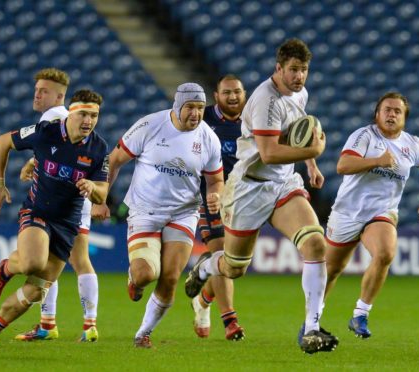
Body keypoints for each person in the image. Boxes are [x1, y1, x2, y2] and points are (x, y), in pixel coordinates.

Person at [185, 38, 339, 355]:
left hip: (283, 184)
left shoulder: (300, 93)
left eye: (304, 70)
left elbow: (299, 128)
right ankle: (204, 269)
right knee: (234, 268)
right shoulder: (264, 101)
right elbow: (268, 154)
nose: (299, 77)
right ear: (278, 68)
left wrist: (310, 164)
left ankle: (311, 329)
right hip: (250, 187)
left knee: (315, 242)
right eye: (293, 70)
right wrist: (314, 150)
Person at [92, 83, 224, 348]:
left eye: (200, 108)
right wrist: (101, 198)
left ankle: (143, 333)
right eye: (190, 108)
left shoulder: (208, 138)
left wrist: (216, 194)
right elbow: (114, 160)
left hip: (184, 213)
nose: (196, 114)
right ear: (178, 106)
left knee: (171, 276)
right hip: (145, 210)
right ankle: (135, 280)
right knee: (145, 275)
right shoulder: (150, 125)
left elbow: (216, 180)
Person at [0, 89, 109, 352]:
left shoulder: (98, 147)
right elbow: (3, 141)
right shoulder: (45, 131)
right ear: (71, 112)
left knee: (36, 291)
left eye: (94, 115)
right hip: (37, 212)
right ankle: (5, 269)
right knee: (32, 262)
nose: (89, 120)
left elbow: (103, 191)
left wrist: (91, 188)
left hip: (67, 225)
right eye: (84, 113)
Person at [323, 92, 419, 338]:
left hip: (381, 212)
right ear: (377, 114)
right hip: (347, 213)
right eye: (387, 109)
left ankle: (360, 314)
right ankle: (312, 320)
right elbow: (343, 166)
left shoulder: (412, 144)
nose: (391, 114)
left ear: (405, 118)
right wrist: (377, 161)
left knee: (386, 253)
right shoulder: (364, 136)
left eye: (397, 111)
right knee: (331, 271)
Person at [16, 68, 101, 343]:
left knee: (64, 261)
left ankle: (55, 325)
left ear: (59, 96)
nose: (37, 94)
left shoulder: (55, 117)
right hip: (78, 194)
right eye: (36, 89)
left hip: (68, 200)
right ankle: (73, 324)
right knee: (78, 260)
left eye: (43, 90)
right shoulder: (63, 117)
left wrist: (33, 162)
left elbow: (62, 151)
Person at [191, 75, 247, 341]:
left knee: (233, 264)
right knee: (222, 252)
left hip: (244, 200)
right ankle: (230, 321)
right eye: (227, 93)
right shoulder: (203, 122)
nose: (233, 97)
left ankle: (203, 300)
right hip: (210, 196)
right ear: (217, 96)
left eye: (237, 92)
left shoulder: (254, 121)